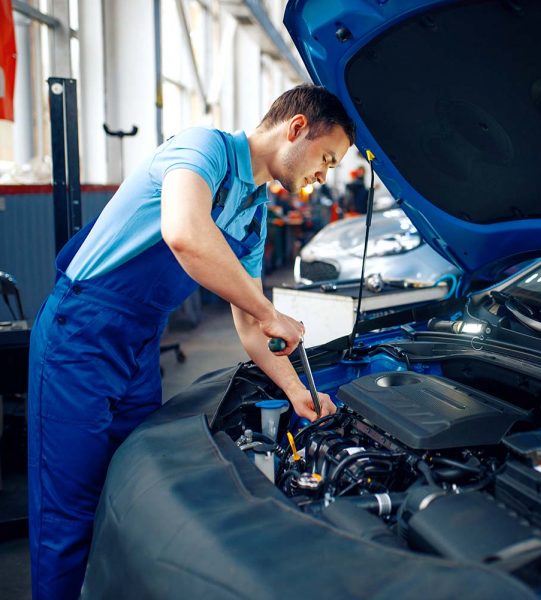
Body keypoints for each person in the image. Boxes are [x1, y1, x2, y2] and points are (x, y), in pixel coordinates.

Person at [26, 84, 354, 599]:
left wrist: (298, 394)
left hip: (139, 343)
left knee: (128, 489)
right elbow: (184, 232)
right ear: (296, 130)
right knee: (68, 513)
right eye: (326, 158)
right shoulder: (203, 149)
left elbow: (248, 324)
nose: (323, 175)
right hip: (81, 332)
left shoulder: (252, 210)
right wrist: (272, 312)